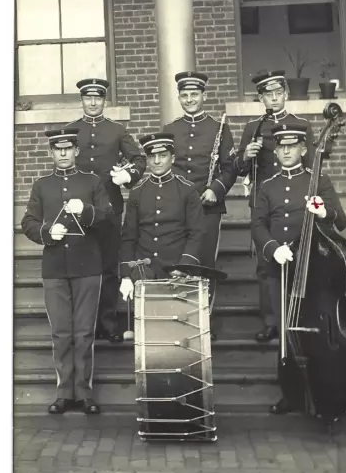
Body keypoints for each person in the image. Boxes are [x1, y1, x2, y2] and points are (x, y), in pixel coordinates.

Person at [251, 122, 346, 415]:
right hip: (282, 267)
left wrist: (325, 212)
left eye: (292, 146)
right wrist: (271, 248)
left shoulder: (318, 179)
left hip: (315, 269)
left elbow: (341, 220)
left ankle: (323, 389)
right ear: (276, 151)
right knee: (286, 332)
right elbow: (257, 225)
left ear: (304, 149)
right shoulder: (266, 186)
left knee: (317, 329)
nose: (286, 151)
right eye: (281, 146)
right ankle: (292, 393)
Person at [21, 128, 114, 415]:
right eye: (57, 149)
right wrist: (48, 232)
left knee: (84, 332)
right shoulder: (41, 185)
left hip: (87, 266)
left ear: (76, 151)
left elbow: (108, 216)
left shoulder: (92, 181)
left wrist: (85, 210)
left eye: (68, 148)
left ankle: (84, 393)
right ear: (51, 152)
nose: (63, 154)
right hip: (55, 269)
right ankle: (64, 393)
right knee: (61, 333)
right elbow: (28, 222)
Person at [235, 70, 316, 343]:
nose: (274, 98)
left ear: (286, 94)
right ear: (260, 98)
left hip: (294, 203)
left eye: (278, 93)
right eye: (268, 94)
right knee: (266, 263)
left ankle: (298, 317)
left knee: (300, 259)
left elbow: (312, 167)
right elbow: (239, 168)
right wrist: (246, 155)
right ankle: (270, 321)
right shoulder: (252, 128)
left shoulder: (301, 125)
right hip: (264, 202)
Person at [66, 78, 146, 343]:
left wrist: (128, 176)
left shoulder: (117, 130)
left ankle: (109, 322)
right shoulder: (71, 129)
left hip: (110, 207)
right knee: (81, 265)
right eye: (88, 98)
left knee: (110, 265)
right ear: (82, 100)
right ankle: (84, 323)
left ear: (104, 101)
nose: (92, 103)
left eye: (98, 98)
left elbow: (139, 160)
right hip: (78, 209)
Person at [162, 71, 237, 336]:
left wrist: (216, 189)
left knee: (204, 264)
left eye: (195, 94)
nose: (190, 99)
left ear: (204, 96)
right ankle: (181, 320)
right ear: (179, 97)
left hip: (208, 207)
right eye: (185, 95)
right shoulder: (170, 130)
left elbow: (230, 168)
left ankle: (203, 323)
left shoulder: (219, 128)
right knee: (179, 263)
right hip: (178, 209)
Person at [119, 132, 204, 302]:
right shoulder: (137, 192)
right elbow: (129, 236)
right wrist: (126, 275)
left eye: (162, 155)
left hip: (177, 270)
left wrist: (184, 265)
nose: (156, 161)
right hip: (144, 272)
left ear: (172, 158)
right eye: (152, 156)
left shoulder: (187, 189)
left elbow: (197, 233)